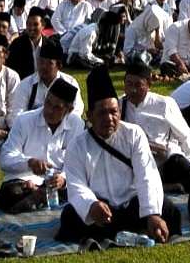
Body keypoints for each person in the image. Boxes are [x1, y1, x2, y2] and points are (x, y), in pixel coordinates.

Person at [57, 67, 180, 245]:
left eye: (114, 111)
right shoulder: (77, 145)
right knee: (70, 216)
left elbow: (147, 175)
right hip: (101, 210)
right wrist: (91, 205)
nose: (109, 118)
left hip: (133, 205)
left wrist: (151, 213)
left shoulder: (133, 134)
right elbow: (76, 185)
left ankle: (140, 227)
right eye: (102, 113)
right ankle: (131, 231)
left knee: (167, 209)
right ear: (89, 116)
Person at [120, 58, 190, 213]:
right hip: (134, 166)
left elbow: (185, 135)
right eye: (129, 84)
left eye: (138, 85)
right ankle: (165, 187)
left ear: (149, 85)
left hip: (165, 163)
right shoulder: (119, 106)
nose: (132, 90)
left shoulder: (164, 104)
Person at [0, 77, 83, 213]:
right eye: (48, 103)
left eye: (57, 107)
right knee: (8, 194)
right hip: (24, 181)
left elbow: (78, 163)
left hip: (57, 184)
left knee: (83, 191)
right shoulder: (24, 120)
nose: (49, 110)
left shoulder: (76, 124)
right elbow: (5, 158)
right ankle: (38, 196)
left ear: (69, 110)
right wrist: (29, 162)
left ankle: (39, 197)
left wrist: (63, 179)